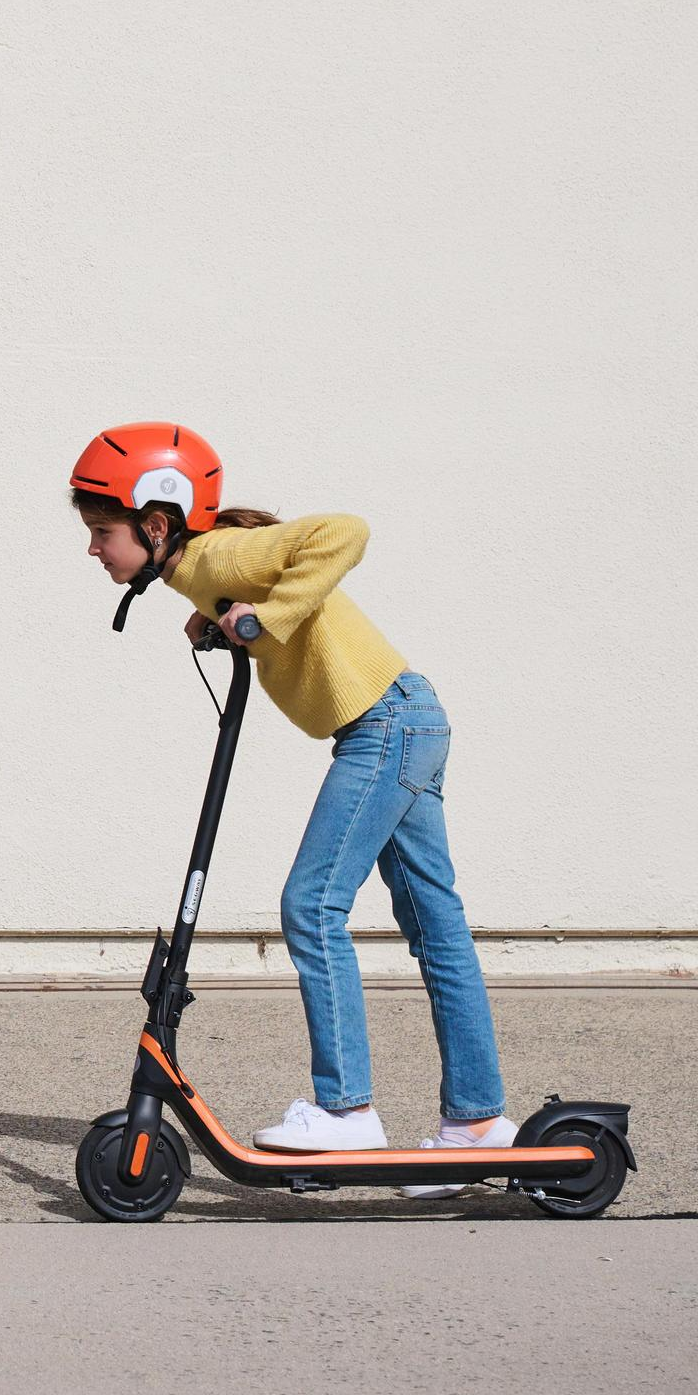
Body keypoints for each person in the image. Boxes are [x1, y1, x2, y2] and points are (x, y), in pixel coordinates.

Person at [72, 424, 508, 1196]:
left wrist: (261, 621)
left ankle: (347, 1111)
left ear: (157, 524)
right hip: (405, 718)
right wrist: (221, 619)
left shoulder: (219, 556)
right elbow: (256, 593)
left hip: (384, 727)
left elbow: (346, 533)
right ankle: (476, 1124)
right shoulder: (203, 572)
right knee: (436, 928)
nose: (93, 549)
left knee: (311, 904)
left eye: (102, 532)